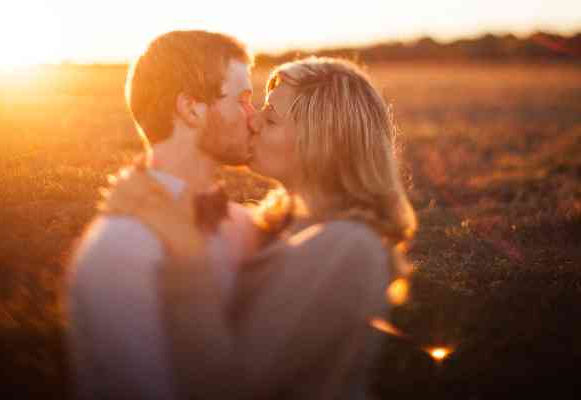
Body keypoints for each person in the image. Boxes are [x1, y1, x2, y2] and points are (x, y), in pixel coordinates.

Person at [102, 57, 418, 399]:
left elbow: (233, 385)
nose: (252, 123)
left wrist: (185, 250)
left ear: (321, 140)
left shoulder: (350, 247)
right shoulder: (273, 224)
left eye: (270, 118)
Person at [67, 30, 260, 399]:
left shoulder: (240, 223)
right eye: (244, 100)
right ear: (191, 109)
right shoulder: (121, 250)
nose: (254, 119)